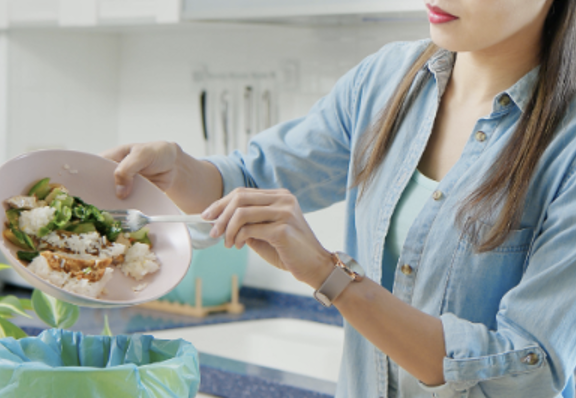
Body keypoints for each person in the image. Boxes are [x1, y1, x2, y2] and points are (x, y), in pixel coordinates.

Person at [102, 0, 576, 396]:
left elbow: (529, 369)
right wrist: (177, 169)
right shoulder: (384, 81)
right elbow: (249, 179)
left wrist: (333, 277)